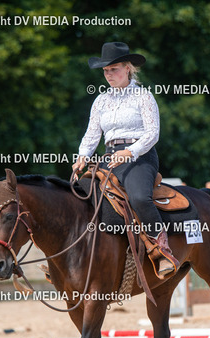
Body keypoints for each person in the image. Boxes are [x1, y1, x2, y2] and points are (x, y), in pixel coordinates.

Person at [72, 42, 178, 279]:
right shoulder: (100, 101)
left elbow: (153, 134)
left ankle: (161, 249)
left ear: (128, 68)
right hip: (109, 157)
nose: (109, 74)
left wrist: (130, 152)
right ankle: (73, 257)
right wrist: (82, 157)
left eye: (114, 69)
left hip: (140, 157)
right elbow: (92, 134)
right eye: (105, 70)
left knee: (139, 197)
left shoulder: (143, 96)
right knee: (79, 195)